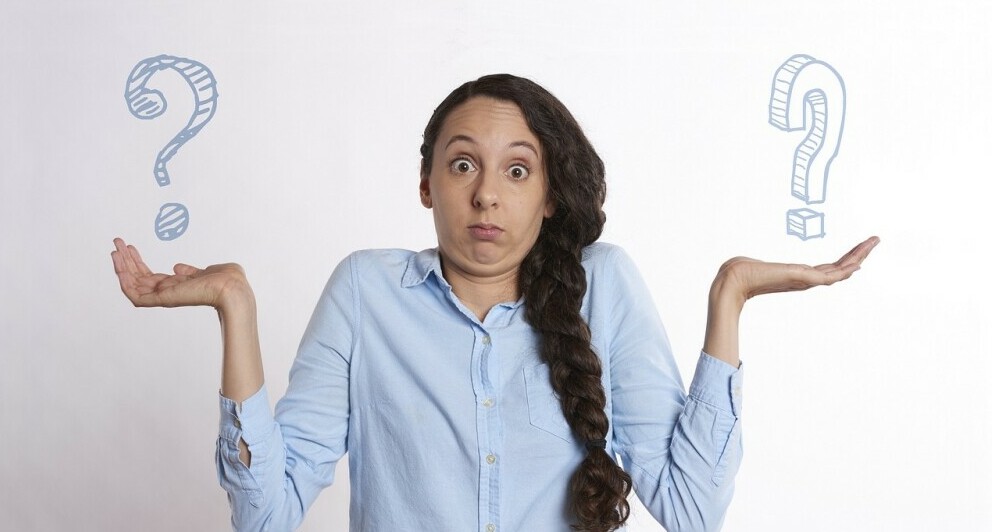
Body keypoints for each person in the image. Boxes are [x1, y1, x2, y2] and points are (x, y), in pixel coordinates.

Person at [111, 73, 879, 532]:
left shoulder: (602, 283)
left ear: (549, 195)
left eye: (518, 170)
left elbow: (691, 507)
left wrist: (729, 300)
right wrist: (235, 311)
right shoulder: (365, 293)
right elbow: (266, 514)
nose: (485, 194)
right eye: (462, 164)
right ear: (425, 185)